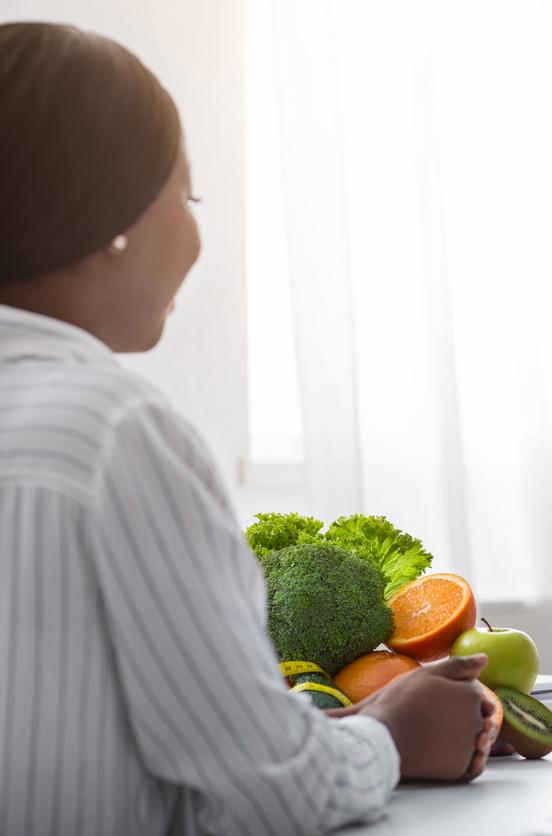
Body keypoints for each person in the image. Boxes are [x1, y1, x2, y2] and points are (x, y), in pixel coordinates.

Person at [0, 22, 493, 835]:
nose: (196, 238)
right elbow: (277, 794)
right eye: (187, 198)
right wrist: (390, 736)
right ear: (110, 219)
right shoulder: (117, 436)